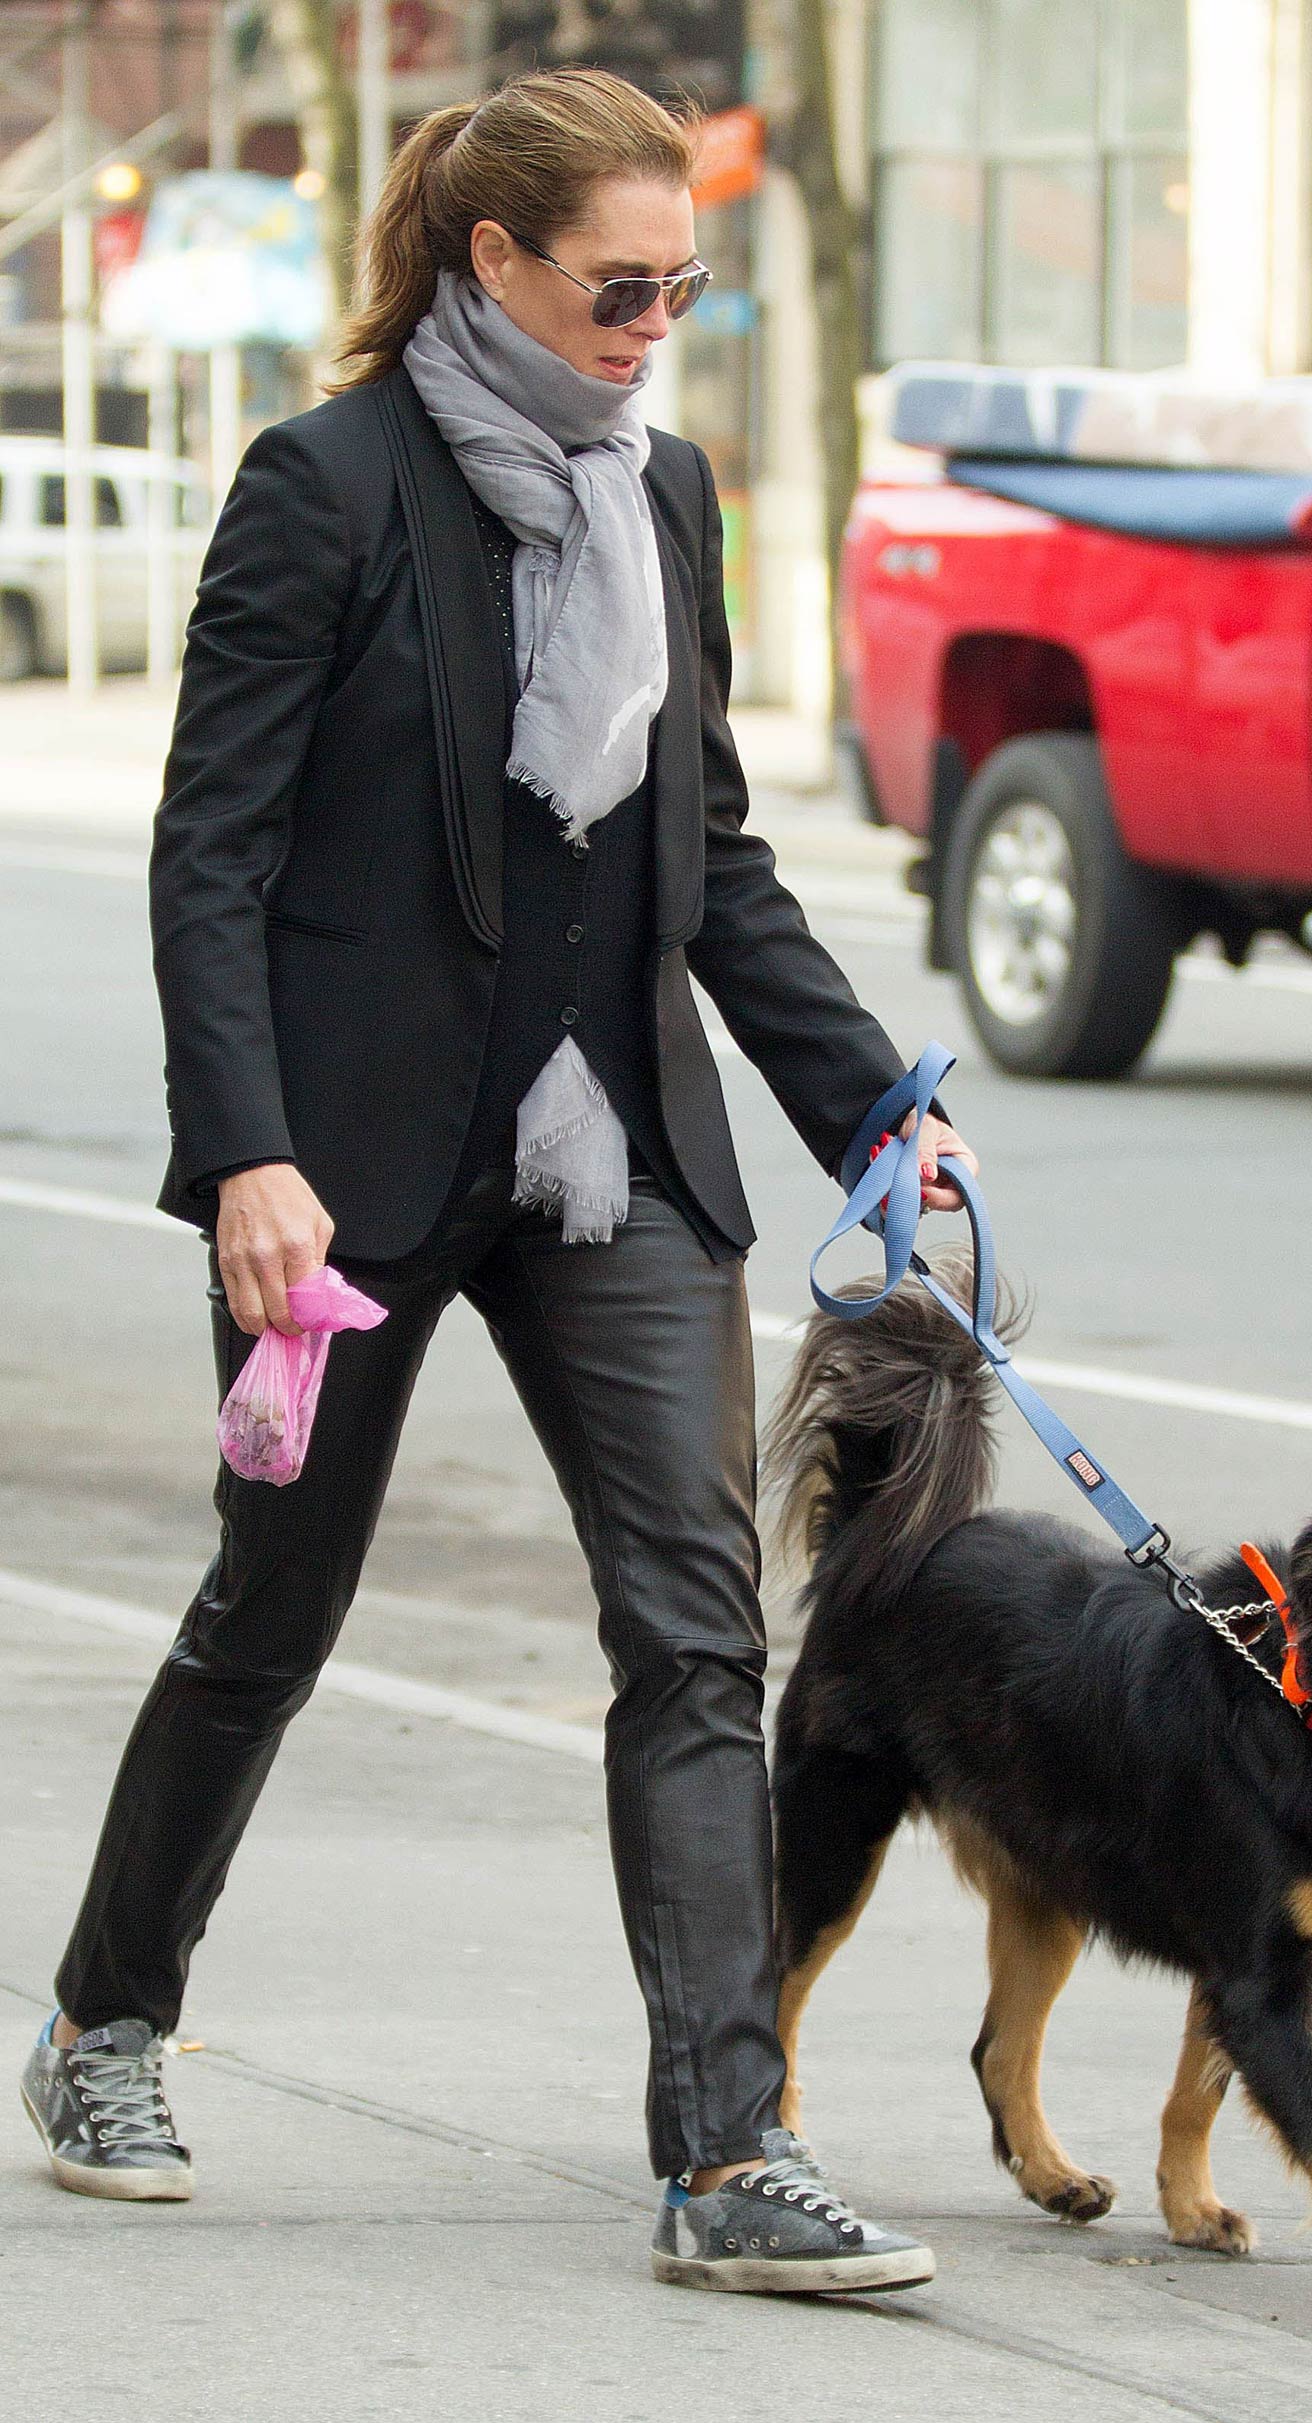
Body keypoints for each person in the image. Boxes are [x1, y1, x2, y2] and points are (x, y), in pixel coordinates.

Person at [20, 68, 977, 2294]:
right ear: (493, 265)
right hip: (343, 1172)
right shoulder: (324, 491)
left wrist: (864, 1098)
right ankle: (106, 2021)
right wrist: (245, 1153)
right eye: (620, 287)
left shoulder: (665, 496)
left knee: (691, 1633)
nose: (658, 323)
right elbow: (215, 854)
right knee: (274, 1614)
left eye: (684, 285)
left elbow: (701, 848)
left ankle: (725, 2155)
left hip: (610, 1143)